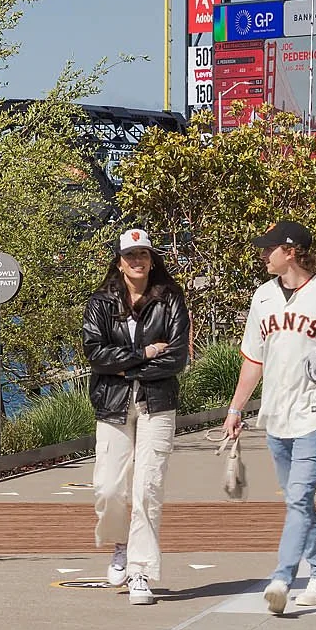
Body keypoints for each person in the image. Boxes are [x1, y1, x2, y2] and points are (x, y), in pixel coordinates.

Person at [223, 220, 316, 616]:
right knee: (297, 501)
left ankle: (283, 577)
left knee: (300, 498)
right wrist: (236, 409)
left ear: (290, 251)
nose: (262, 254)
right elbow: (253, 361)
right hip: (275, 414)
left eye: (268, 248)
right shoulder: (263, 298)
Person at [84, 228, 190, 605]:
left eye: (143, 254)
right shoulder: (100, 303)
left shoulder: (170, 300)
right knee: (109, 487)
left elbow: (177, 356)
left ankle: (140, 570)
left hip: (157, 404)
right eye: (131, 256)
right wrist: (144, 354)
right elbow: (96, 354)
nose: (138, 261)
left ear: (151, 259)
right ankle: (120, 545)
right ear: (119, 261)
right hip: (112, 403)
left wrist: (126, 367)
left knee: (148, 487)